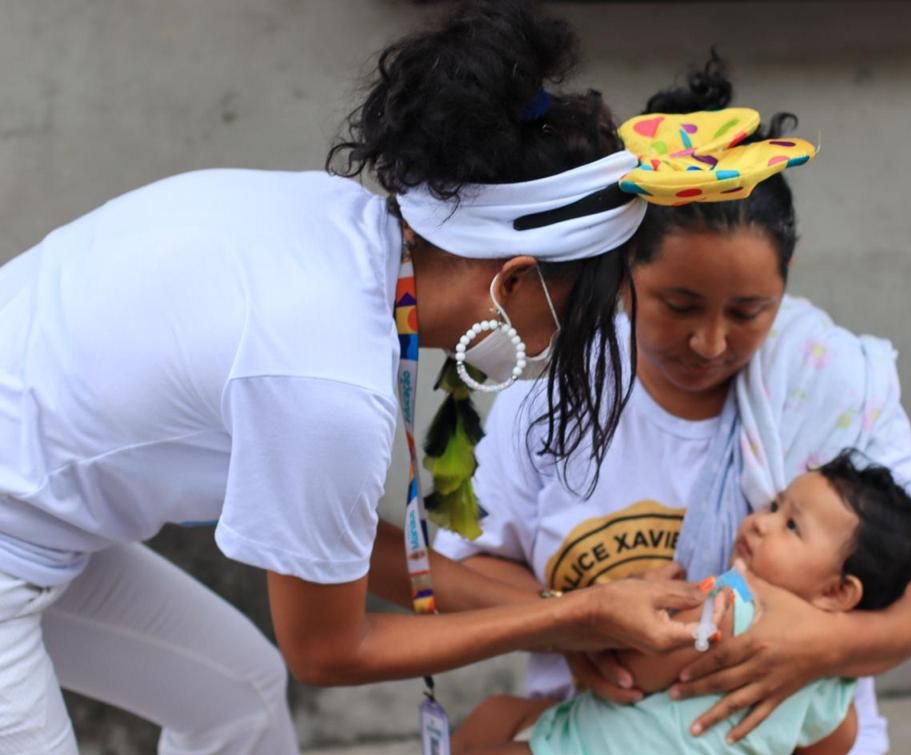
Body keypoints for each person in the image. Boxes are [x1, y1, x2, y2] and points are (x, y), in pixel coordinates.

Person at [0, 4, 716, 753]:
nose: (566, 342)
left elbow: (332, 548)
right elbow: (330, 651)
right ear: (514, 279)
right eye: (578, 315)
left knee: (237, 697)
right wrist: (568, 619)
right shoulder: (331, 385)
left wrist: (575, 605)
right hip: (14, 541)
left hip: (38, 520)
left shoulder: (342, 233)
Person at [433, 59, 911, 754]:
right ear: (621, 272)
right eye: (679, 306)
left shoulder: (830, 383)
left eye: (749, 310)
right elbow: (462, 571)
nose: (711, 342)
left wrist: (819, 644)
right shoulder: (556, 399)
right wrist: (573, 620)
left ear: (785, 283)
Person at [453, 451, 911, 755]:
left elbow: (630, 669)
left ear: (837, 591)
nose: (761, 522)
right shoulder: (838, 696)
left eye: (791, 526)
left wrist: (628, 598)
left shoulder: (729, 603)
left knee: (492, 720)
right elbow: (835, 743)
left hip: (590, 745)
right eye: (774, 507)